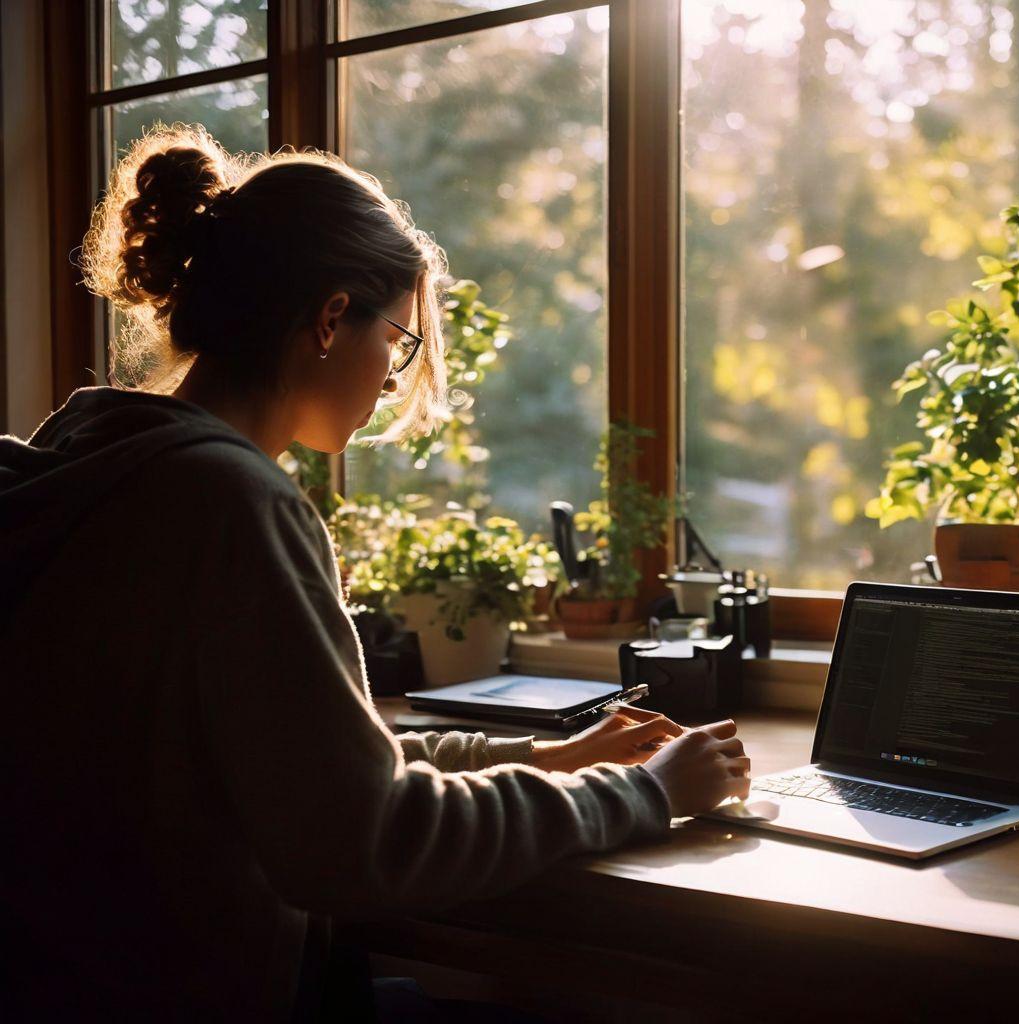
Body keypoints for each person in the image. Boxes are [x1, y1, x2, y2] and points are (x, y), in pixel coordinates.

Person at [0, 125, 750, 1021]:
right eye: (396, 341)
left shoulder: (88, 467)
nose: (393, 381)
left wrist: (549, 758)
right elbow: (360, 841)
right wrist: (643, 791)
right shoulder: (230, 503)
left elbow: (305, 764)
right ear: (328, 318)